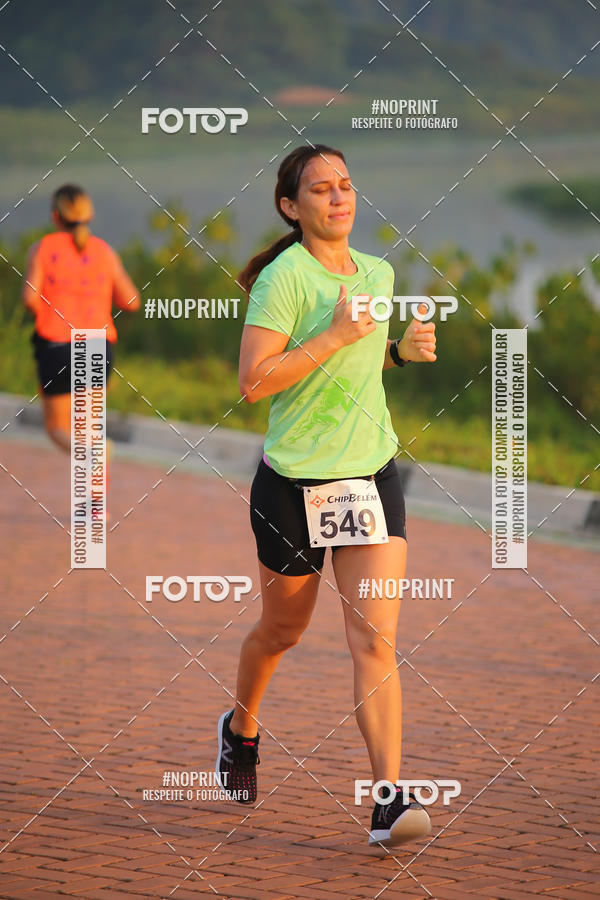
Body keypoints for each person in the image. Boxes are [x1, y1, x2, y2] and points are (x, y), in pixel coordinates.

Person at [215, 145, 437, 848]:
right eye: (320, 190)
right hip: (292, 484)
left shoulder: (378, 270)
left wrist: (397, 351)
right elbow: (255, 382)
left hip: (370, 475)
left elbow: (354, 366)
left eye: (345, 186)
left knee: (374, 639)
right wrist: (338, 331)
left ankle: (387, 801)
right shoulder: (284, 279)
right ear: (291, 206)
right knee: (282, 631)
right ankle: (240, 727)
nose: (338, 198)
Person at [22, 185, 140, 505]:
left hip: (58, 343)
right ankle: (95, 505)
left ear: (55, 216)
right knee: (90, 428)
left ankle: (89, 455)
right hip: (98, 343)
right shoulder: (104, 251)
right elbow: (131, 300)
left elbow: (30, 298)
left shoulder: (44, 248)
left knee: (58, 428)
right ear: (90, 216)